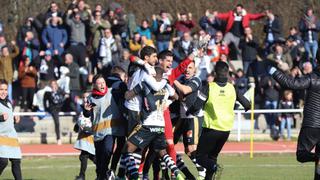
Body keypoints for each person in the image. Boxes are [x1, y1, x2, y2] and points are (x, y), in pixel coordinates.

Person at [120, 66, 184, 180]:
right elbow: (176, 96)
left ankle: (134, 176)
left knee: (127, 148)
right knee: (162, 152)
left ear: (153, 75)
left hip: (148, 124)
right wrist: (167, 102)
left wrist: (129, 86)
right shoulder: (166, 85)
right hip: (160, 125)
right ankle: (176, 172)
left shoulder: (145, 84)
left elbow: (127, 96)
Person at [196, 61, 250, 180]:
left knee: (199, 157)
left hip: (211, 129)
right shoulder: (232, 88)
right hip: (225, 130)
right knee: (212, 157)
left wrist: (190, 111)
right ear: (227, 73)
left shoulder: (209, 87)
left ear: (215, 73)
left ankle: (215, 167)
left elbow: (196, 106)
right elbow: (247, 105)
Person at [268, 65, 320, 180]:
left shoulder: (312, 78)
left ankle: (317, 157)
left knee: (301, 155)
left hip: (312, 124)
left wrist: (273, 71)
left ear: (317, 61)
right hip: (313, 124)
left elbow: (290, 83)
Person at [82, 74, 125, 180]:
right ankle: (101, 175)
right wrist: (86, 111)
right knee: (100, 159)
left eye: (103, 82)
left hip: (111, 130)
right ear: (94, 85)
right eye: (99, 83)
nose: (102, 85)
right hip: (97, 133)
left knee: (107, 150)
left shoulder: (112, 93)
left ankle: (105, 175)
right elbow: (87, 115)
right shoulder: (90, 98)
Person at [173, 61, 206, 179]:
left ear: (195, 70)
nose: (187, 70)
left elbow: (185, 90)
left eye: (190, 68)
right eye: (186, 67)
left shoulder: (196, 80)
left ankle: (203, 171)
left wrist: (172, 79)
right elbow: (177, 96)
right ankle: (183, 175)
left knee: (191, 148)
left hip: (194, 117)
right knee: (170, 146)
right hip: (182, 117)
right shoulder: (181, 78)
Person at [0, 79, 22, 180]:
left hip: (11, 136)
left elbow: (8, 120)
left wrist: (14, 119)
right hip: (1, 136)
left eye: (5, 89)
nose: (3, 92)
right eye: (1, 89)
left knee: (16, 161)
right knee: (3, 161)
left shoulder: (9, 102)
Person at [74, 93, 96, 180]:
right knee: (86, 155)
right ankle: (104, 171)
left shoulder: (92, 107)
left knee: (84, 155)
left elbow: (90, 119)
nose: (85, 99)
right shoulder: (82, 107)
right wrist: (77, 125)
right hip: (84, 134)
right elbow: (81, 118)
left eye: (87, 97)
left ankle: (82, 176)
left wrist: (90, 129)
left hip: (90, 134)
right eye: (83, 97)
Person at [43, 80, 65, 145]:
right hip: (54, 109)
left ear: (57, 85)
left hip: (61, 107)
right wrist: (46, 109)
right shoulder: (47, 93)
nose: (53, 85)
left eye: (54, 84)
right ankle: (58, 138)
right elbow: (44, 102)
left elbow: (65, 97)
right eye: (52, 84)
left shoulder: (60, 92)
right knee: (57, 123)